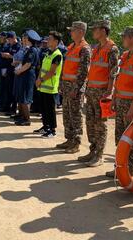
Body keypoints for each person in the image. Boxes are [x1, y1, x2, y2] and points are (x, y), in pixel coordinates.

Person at [105, 26, 133, 177]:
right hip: (120, 101)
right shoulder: (125, 55)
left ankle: (130, 170)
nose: (122, 39)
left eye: (124, 37)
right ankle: (120, 167)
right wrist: (114, 97)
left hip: (131, 104)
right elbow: (119, 77)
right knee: (120, 137)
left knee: (131, 139)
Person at [75, 20, 119, 167]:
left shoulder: (112, 49)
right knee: (90, 123)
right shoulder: (96, 47)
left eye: (96, 29)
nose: (93, 31)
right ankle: (92, 151)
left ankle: (99, 155)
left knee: (100, 124)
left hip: (102, 93)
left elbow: (113, 73)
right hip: (91, 91)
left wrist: (108, 93)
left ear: (104, 30)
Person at [55, 21, 91, 153]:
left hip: (75, 88)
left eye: (73, 30)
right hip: (66, 85)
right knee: (66, 114)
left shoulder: (85, 49)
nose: (70, 32)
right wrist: (61, 83)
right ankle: (69, 139)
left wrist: (76, 88)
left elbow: (83, 72)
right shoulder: (71, 47)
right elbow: (65, 67)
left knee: (75, 115)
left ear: (81, 32)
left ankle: (76, 143)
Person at [35, 31, 63, 137]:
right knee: (43, 108)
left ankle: (52, 130)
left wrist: (40, 80)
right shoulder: (48, 52)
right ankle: (45, 126)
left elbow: (52, 72)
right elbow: (42, 68)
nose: (47, 41)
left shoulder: (57, 55)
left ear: (56, 41)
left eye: (50, 39)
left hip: (50, 87)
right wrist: (38, 79)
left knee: (50, 110)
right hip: (42, 86)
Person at [14, 29, 40, 126]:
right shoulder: (29, 49)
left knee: (25, 98)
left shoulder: (32, 50)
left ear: (30, 39)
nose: (24, 40)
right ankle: (22, 116)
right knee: (22, 96)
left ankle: (27, 119)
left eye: (26, 38)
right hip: (24, 74)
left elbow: (28, 64)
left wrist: (18, 71)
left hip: (28, 75)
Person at [1, 31, 22, 115]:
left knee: (13, 91)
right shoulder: (10, 45)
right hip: (9, 70)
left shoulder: (19, 46)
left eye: (9, 39)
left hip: (15, 70)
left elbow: (19, 58)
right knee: (8, 90)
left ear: (14, 38)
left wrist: (9, 56)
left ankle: (13, 109)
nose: (8, 41)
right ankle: (8, 107)